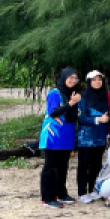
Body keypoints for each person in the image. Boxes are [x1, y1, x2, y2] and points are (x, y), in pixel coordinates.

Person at [40, 68, 82, 209]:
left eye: (75, 78)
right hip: (53, 134)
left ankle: (61, 193)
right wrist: (71, 103)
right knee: (50, 166)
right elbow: (53, 112)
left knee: (63, 165)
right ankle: (47, 197)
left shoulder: (73, 94)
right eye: (70, 77)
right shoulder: (55, 93)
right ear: (63, 78)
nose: (73, 80)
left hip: (67, 134)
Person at [76, 70, 110, 203]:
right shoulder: (82, 97)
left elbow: (107, 117)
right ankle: (82, 192)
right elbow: (81, 117)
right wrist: (97, 120)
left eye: (99, 79)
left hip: (100, 137)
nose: (97, 82)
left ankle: (93, 190)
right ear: (89, 82)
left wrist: (106, 135)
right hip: (86, 138)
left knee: (97, 165)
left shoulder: (103, 97)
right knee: (84, 165)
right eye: (94, 80)